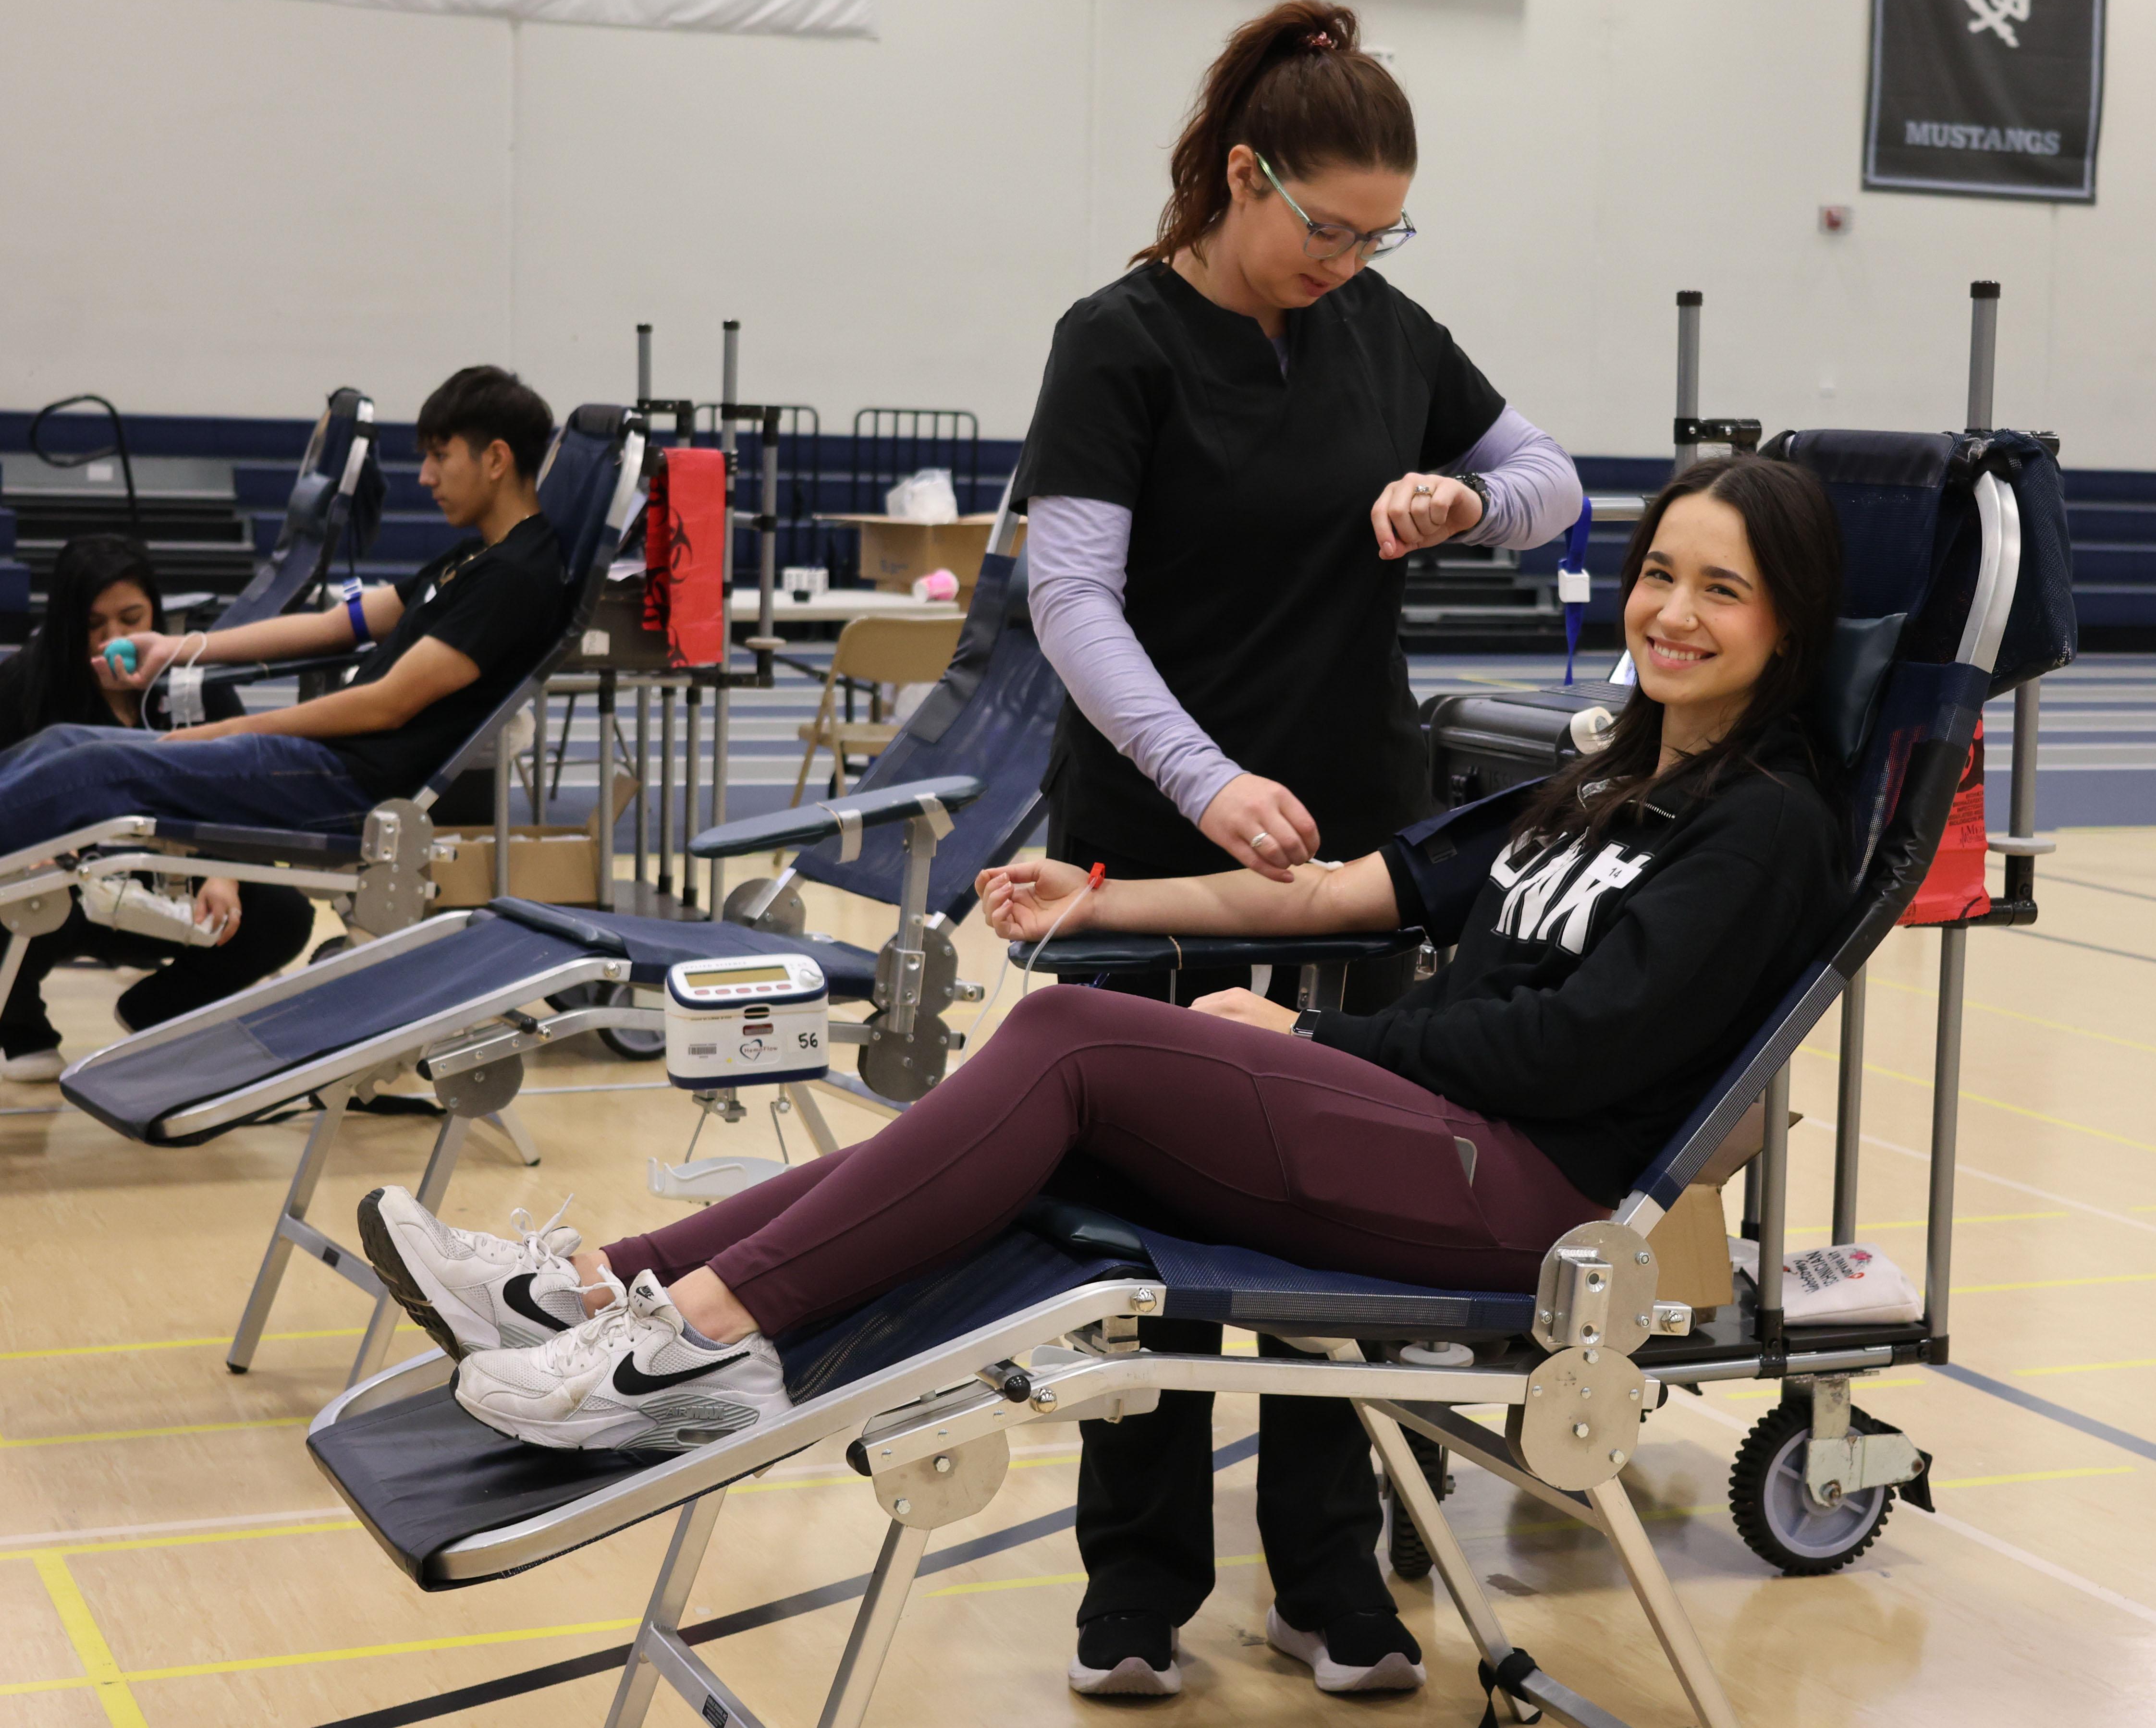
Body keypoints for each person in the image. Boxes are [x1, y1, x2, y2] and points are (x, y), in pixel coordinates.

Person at [361, 456, 1848, 1697]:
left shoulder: (1766, 825)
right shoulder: (1595, 782)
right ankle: (604, 1292)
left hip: (1525, 1197)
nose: (1673, 611)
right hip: (1434, 1132)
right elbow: (1353, 892)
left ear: (1788, 625)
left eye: (1722, 589)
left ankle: (689, 1339)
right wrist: (1109, 899)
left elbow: (1582, 1048)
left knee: (1071, 1044)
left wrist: (1315, 1044)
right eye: (1661, 573)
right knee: (1022, 1114)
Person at [1010, 0, 1582, 1694]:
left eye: (1378, 234)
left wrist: (1469, 502)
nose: (1348, 260)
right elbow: (1069, 599)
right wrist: (1200, 780)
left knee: (1338, 1203)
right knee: (1141, 1211)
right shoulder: (1116, 341)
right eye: (1327, 227)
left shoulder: (1386, 332)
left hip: (1350, 843)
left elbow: (1550, 480)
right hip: (1150, 838)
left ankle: (1325, 1570)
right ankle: (1134, 1580)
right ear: (1241, 176)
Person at [0, 366, 563, 855]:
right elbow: (336, 624)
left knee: (93, 771)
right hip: (319, 763)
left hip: (346, 785)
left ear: (496, 458)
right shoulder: (474, 556)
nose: (425, 476)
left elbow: (386, 705)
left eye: (440, 456)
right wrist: (178, 648)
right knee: (64, 743)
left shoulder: (513, 577)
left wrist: (224, 731)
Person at [0, 534, 313, 1081]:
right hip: (67, 893)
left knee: (284, 914)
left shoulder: (197, 684)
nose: (114, 639)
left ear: (155, 613)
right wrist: (29, 852)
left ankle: (157, 1011)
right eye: (94, 625)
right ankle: (21, 1027)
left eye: (131, 619)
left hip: (175, 886)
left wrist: (224, 871)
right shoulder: (22, 685)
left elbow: (246, 793)